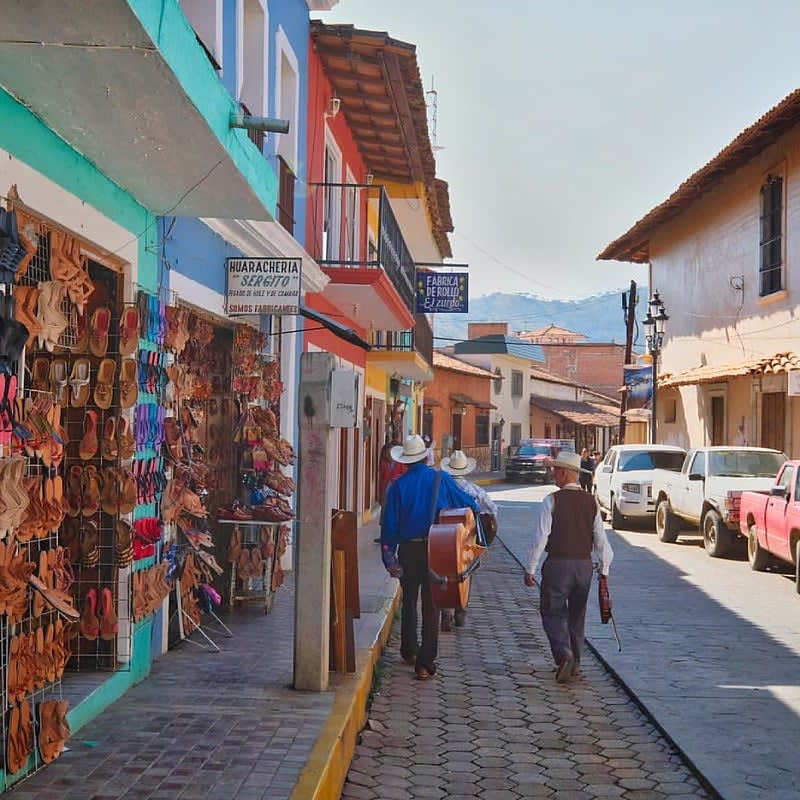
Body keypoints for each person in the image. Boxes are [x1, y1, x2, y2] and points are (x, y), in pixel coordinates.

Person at [381, 434, 480, 681]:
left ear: (405, 460)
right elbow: (471, 505)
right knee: (431, 605)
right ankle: (425, 663)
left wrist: (389, 560)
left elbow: (389, 527)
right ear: (426, 457)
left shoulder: (397, 486)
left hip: (408, 549)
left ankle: (408, 649)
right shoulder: (441, 479)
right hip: (438, 548)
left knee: (409, 599)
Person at [523, 450, 613, 683]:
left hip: (558, 565)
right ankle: (576, 663)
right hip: (583, 567)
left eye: (555, 470)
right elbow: (601, 540)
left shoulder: (551, 500)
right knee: (577, 614)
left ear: (563, 473)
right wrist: (604, 570)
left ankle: (564, 653)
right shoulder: (591, 501)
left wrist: (530, 568)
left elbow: (541, 537)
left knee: (552, 611)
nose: (553, 474)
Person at [438, 450, 498, 631]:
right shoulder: (473, 490)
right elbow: (493, 509)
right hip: (467, 538)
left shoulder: (442, 488)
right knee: (465, 574)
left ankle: (446, 612)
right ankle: (460, 610)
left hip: (444, 536)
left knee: (444, 573)